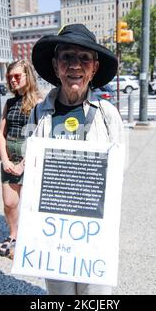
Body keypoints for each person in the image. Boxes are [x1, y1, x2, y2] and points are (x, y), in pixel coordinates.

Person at [27, 24, 125, 295]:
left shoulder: (108, 114)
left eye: (84, 59)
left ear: (94, 68)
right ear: (56, 65)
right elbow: (32, 168)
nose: (75, 65)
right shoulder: (38, 114)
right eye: (67, 56)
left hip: (93, 230)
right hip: (53, 231)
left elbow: (118, 173)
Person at [0, 60, 41, 258]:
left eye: (17, 76)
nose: (12, 80)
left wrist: (24, 164)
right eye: (9, 77)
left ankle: (30, 241)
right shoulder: (10, 102)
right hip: (10, 158)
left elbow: (40, 136)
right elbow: (1, 133)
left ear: (28, 77)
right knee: (9, 203)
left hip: (31, 159)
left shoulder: (40, 103)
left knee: (32, 204)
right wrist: (5, 160)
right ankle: (14, 234)